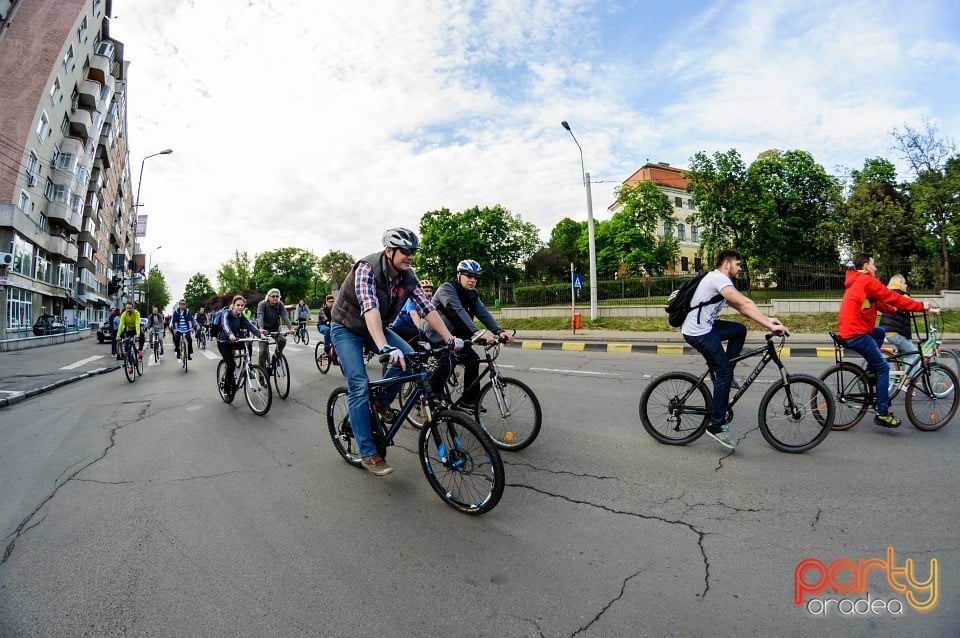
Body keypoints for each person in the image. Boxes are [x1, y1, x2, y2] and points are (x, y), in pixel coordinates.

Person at [330, 227, 462, 476]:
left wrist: (449, 338)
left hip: (376, 326)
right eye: (405, 251)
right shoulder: (366, 268)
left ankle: (379, 402)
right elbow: (369, 308)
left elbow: (427, 309)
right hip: (347, 328)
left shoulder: (408, 276)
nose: (411, 256)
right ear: (389, 251)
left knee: (410, 359)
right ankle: (369, 453)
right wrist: (384, 347)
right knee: (358, 384)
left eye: (414, 252)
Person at [682, 249, 787, 449]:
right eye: (737, 264)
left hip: (706, 326)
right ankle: (717, 425)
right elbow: (746, 302)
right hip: (698, 332)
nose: (740, 268)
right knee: (724, 372)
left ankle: (724, 375)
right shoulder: (718, 279)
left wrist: (768, 320)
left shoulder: (719, 281)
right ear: (727, 264)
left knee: (739, 330)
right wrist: (770, 326)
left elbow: (742, 307)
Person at [838, 253, 933, 429]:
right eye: (873, 264)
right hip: (856, 333)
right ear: (866, 266)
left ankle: (870, 372)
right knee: (883, 368)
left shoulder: (857, 281)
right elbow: (890, 295)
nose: (875, 268)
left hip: (851, 329)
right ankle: (882, 413)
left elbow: (878, 303)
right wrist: (920, 306)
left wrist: (895, 310)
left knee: (880, 333)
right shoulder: (867, 280)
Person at [428, 262, 512, 411]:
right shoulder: (447, 289)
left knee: (472, 360)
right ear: (459, 275)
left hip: (457, 335)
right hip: (437, 333)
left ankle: (468, 401)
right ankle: (431, 394)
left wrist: (499, 331)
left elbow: (483, 313)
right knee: (449, 359)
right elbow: (456, 310)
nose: (472, 280)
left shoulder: (472, 294)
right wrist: (478, 332)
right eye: (469, 276)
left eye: (475, 277)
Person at [215, 295, 269, 396]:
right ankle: (226, 390)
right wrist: (230, 334)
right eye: (238, 305)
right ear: (233, 305)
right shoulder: (226, 313)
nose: (240, 307)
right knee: (231, 365)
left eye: (242, 305)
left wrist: (260, 334)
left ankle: (248, 364)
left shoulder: (241, 316)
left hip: (235, 340)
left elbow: (250, 325)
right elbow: (225, 324)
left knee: (248, 343)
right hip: (224, 342)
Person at [879, 274, 921, 376]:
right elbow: (914, 305)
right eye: (904, 283)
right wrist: (932, 309)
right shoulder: (902, 295)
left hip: (888, 332)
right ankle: (907, 381)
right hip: (896, 334)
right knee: (914, 355)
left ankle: (899, 374)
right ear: (900, 283)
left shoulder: (889, 294)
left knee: (904, 352)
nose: (906, 285)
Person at [256, 288, 294, 368]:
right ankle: (261, 374)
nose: (275, 298)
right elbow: (260, 316)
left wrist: (290, 328)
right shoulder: (262, 304)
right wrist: (261, 329)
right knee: (262, 351)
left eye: (277, 296)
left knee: (282, 340)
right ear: (268, 297)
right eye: (273, 296)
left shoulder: (280, 304)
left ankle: (276, 358)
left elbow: (285, 316)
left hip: (275, 328)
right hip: (263, 329)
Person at [390, 279, 433, 345]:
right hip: (400, 327)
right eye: (426, 291)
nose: (429, 293)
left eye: (430, 291)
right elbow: (413, 314)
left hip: (412, 327)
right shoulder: (411, 299)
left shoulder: (430, 300)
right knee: (420, 335)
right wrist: (421, 330)